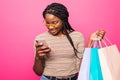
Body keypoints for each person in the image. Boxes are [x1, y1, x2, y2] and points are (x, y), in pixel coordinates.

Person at [33, 3, 105, 80]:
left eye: (54, 22)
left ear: (63, 20)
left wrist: (91, 41)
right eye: (47, 23)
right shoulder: (41, 38)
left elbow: (82, 67)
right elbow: (38, 72)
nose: (50, 27)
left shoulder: (77, 36)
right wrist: (38, 57)